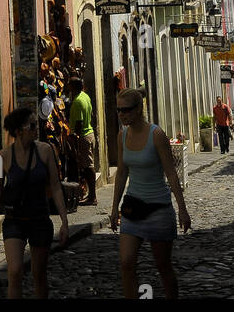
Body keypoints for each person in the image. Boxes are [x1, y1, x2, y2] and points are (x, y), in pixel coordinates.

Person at [109, 87, 191, 299]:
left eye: (125, 110)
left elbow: (172, 174)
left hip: (158, 208)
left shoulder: (156, 135)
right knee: (126, 262)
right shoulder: (122, 136)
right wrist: (114, 208)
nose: (121, 114)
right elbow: (121, 173)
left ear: (138, 110)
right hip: (132, 206)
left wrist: (182, 209)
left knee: (163, 266)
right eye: (118, 110)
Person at [0, 106, 69, 298]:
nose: (37, 129)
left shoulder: (47, 150)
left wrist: (64, 222)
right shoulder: (0, 157)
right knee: (14, 272)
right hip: (14, 221)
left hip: (40, 219)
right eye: (32, 126)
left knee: (39, 274)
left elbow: (56, 187)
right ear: (19, 131)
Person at [67, 78, 97, 207]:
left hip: (83, 136)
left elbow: (78, 123)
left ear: (73, 87)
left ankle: (92, 197)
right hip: (89, 134)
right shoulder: (85, 96)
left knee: (88, 167)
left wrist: (76, 138)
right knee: (86, 167)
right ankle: (89, 195)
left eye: (69, 85)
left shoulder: (78, 101)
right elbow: (91, 114)